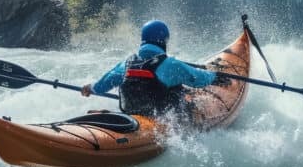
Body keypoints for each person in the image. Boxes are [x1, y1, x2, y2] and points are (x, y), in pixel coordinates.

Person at [81, 20, 228, 116]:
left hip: (132, 112)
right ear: (163, 41)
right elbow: (197, 79)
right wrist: (216, 77)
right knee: (182, 91)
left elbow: (106, 82)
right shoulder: (170, 64)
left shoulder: (127, 63)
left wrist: (91, 88)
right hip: (163, 118)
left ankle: (112, 116)